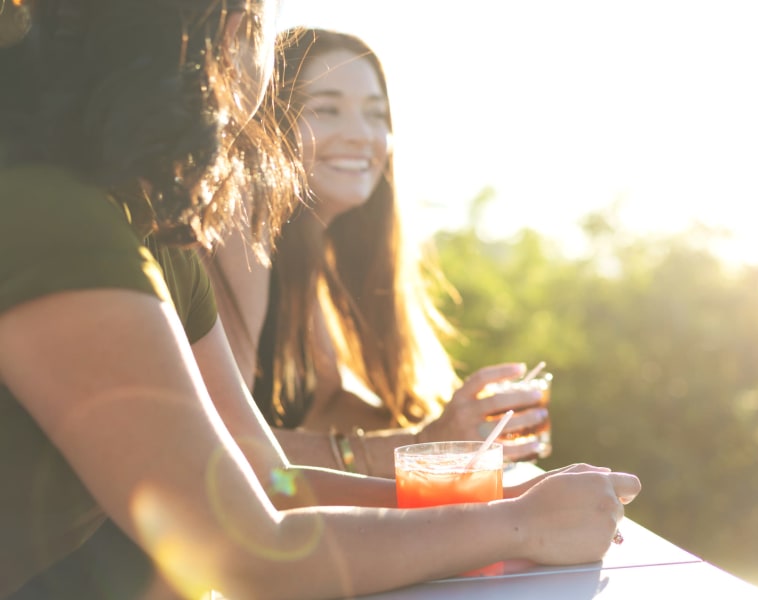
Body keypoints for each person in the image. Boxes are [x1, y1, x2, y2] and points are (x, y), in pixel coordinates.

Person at [0, 2, 641, 599]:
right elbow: (245, 549)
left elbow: (274, 482)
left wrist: (493, 500)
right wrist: (519, 525)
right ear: (218, 35)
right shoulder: (52, 222)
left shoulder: (156, 237)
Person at [207, 28, 550, 478]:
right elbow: (222, 441)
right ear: (268, 120)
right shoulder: (239, 219)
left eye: (376, 115)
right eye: (326, 110)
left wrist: (453, 429)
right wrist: (419, 447)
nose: (361, 136)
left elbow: (323, 406)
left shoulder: (306, 243)